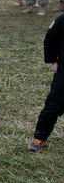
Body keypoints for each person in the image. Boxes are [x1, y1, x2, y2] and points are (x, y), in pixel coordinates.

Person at [28, 12, 64, 152]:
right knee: (53, 104)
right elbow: (50, 38)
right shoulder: (61, 20)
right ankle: (40, 137)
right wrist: (52, 60)